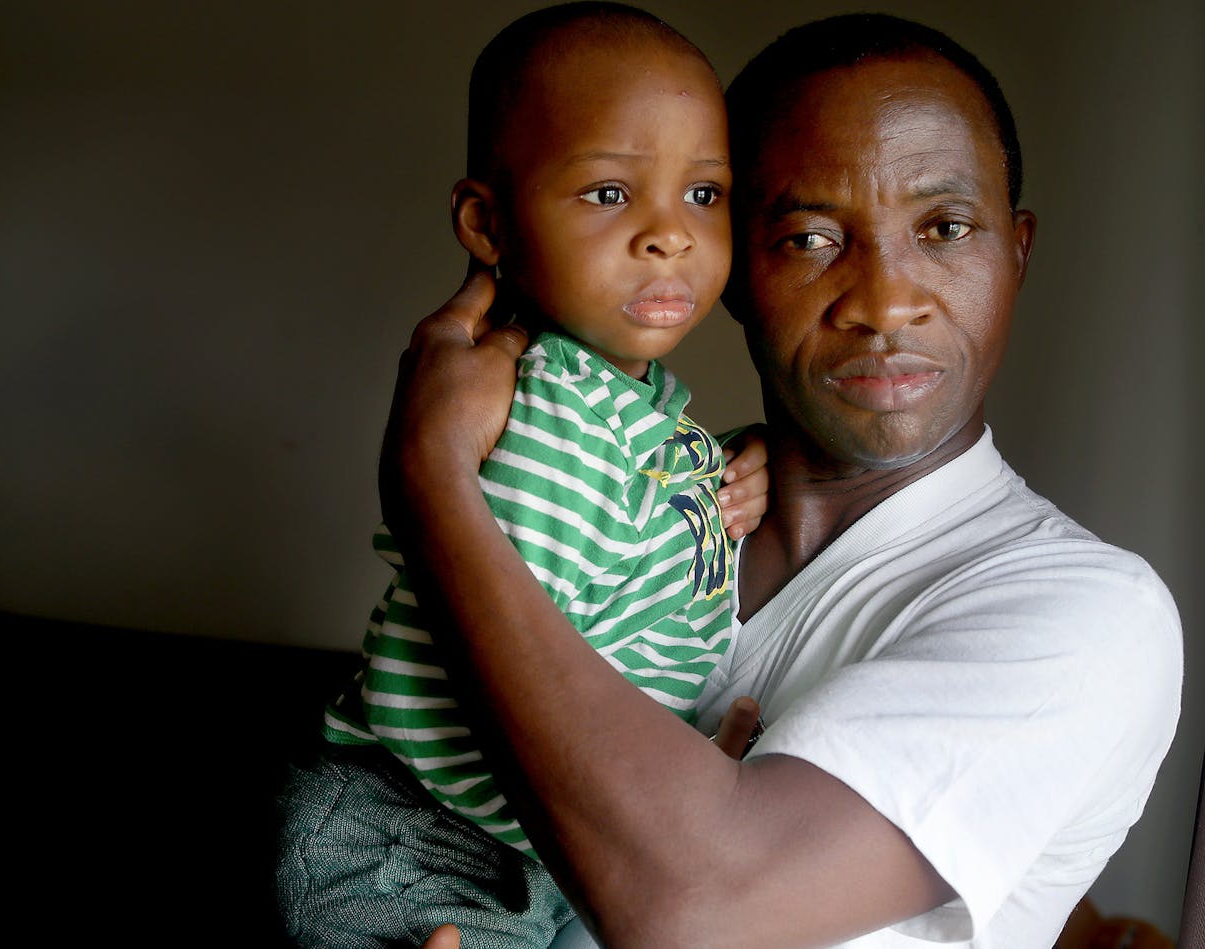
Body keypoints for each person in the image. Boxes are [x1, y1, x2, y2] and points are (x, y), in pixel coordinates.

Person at [385, 13, 1184, 948]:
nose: (886, 300)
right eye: (809, 238)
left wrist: (430, 483)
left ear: (1015, 251)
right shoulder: (630, 496)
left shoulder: (1091, 613)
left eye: (945, 226)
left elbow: (697, 904)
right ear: (725, 268)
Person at [276, 5, 771, 946]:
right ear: (488, 222)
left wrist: (735, 465)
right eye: (610, 194)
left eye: (704, 195)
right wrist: (680, 794)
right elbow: (483, 685)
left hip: (543, 845)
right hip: (428, 844)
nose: (670, 235)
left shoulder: (640, 413)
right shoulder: (538, 415)